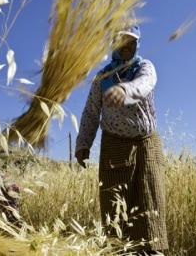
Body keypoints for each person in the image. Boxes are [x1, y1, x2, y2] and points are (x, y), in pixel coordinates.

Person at [75, 24, 168, 255]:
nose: (127, 46)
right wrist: (83, 143)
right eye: (121, 41)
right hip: (114, 147)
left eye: (131, 41)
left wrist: (125, 91)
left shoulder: (145, 67)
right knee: (116, 212)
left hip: (147, 146)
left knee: (150, 207)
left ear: (137, 44)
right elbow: (91, 111)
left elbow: (143, 85)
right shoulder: (102, 77)